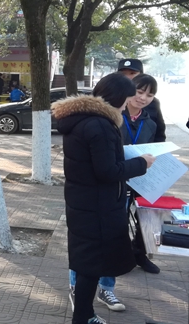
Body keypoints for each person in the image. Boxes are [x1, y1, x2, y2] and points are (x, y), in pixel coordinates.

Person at [52, 72, 155, 324]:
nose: (126, 107)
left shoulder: (82, 119)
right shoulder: (100, 125)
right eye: (126, 100)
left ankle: (85, 314)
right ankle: (83, 317)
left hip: (83, 202)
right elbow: (107, 171)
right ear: (117, 98)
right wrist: (142, 163)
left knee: (87, 262)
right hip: (97, 207)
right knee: (91, 266)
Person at [117, 58, 166, 142]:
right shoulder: (111, 101)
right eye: (123, 74)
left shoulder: (153, 106)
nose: (128, 77)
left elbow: (159, 135)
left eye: (132, 73)